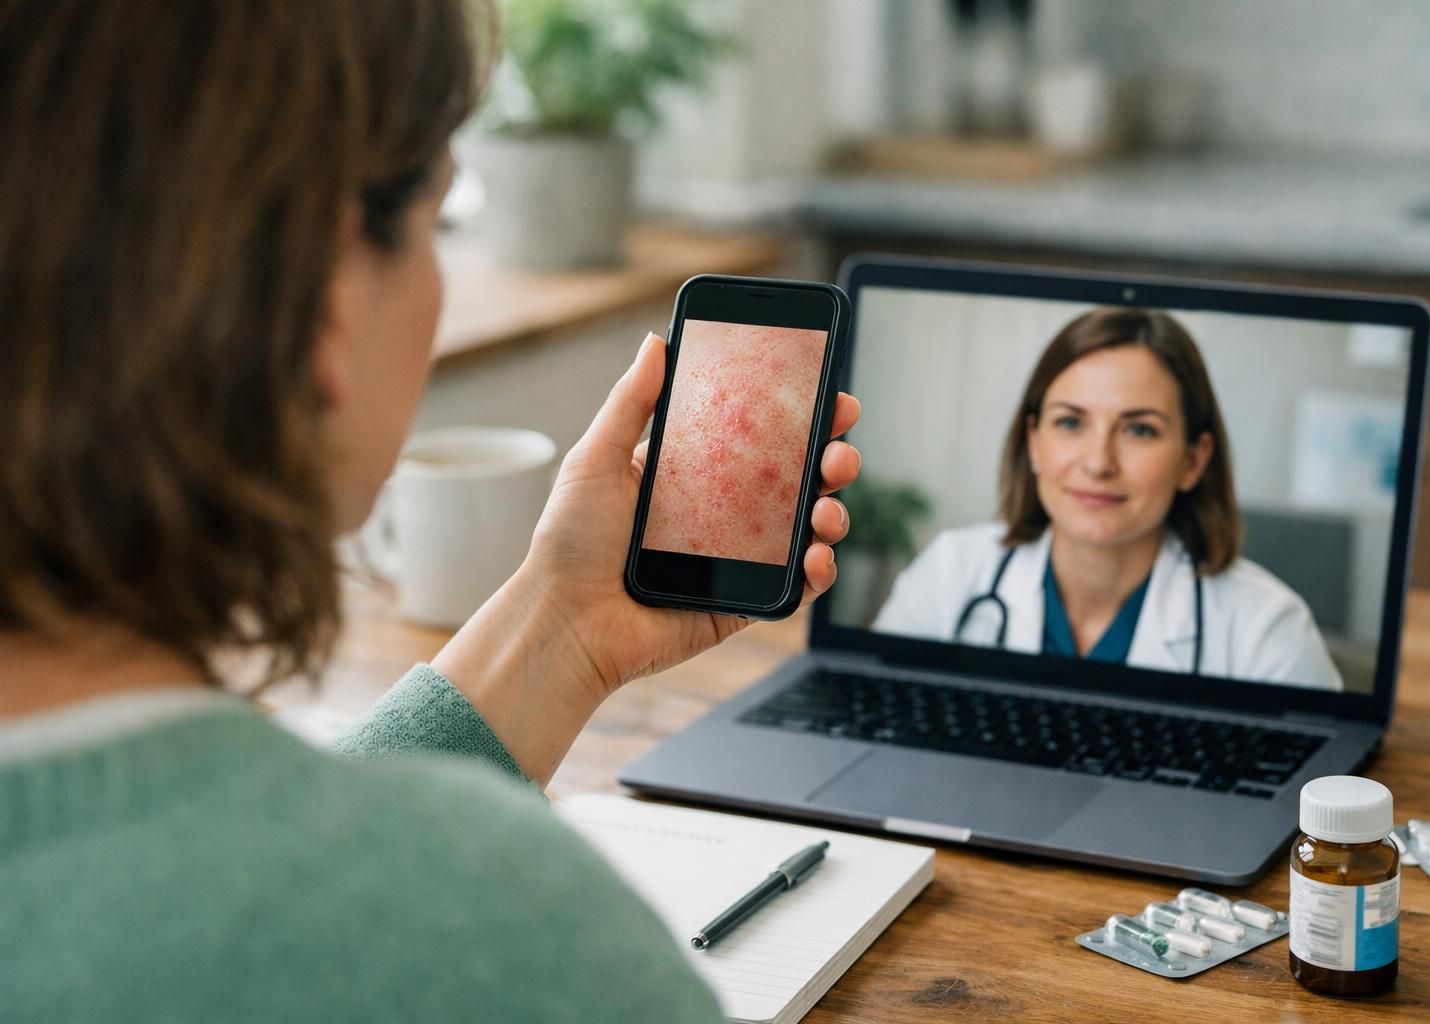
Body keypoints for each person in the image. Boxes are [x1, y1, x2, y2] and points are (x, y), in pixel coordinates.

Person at [0, 3, 862, 1021]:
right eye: (430, 225)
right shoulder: (506, 933)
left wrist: (564, 625)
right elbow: (322, 900)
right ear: (322, 302)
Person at [874, 307, 1341, 690]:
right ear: (1034, 443)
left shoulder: (1268, 630)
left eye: (1139, 430)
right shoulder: (949, 573)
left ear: (1192, 462)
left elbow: (1312, 800)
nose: (1098, 463)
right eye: (1070, 423)